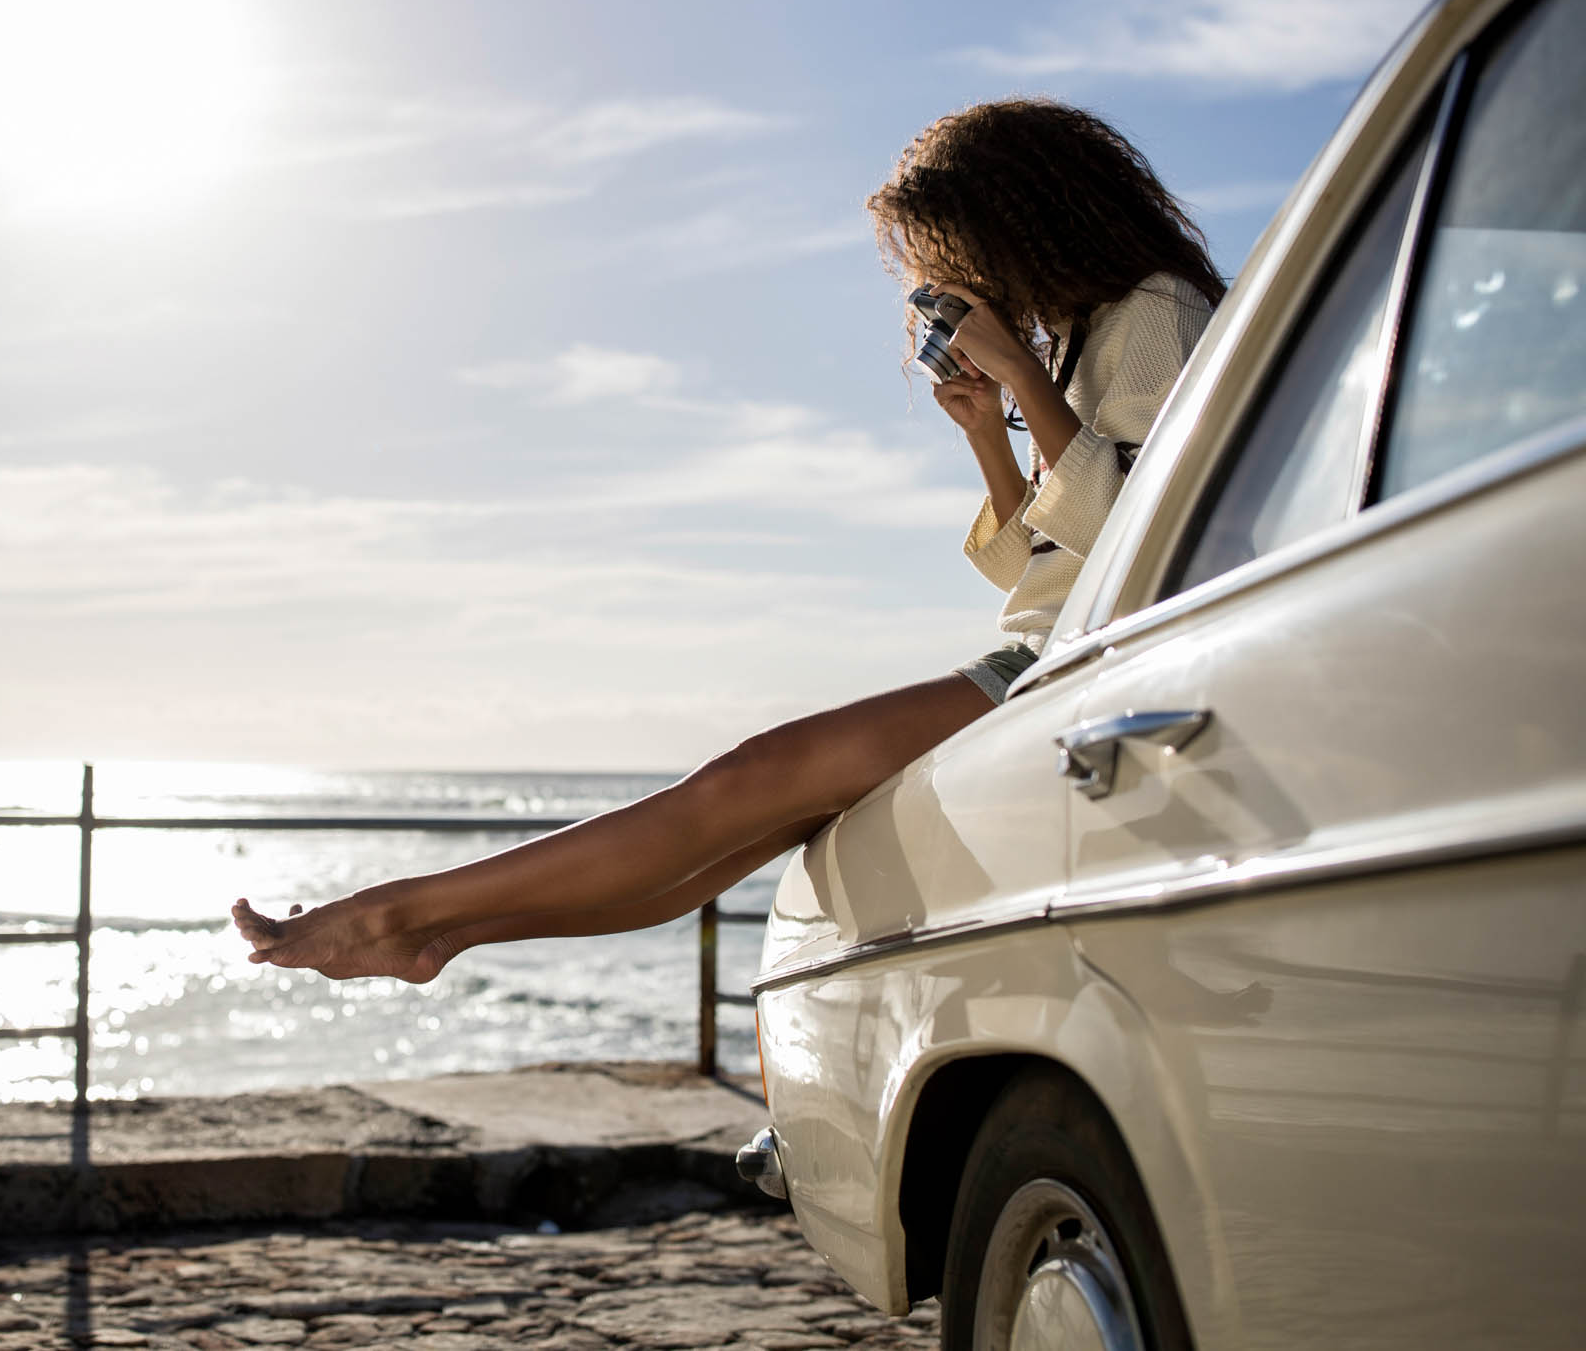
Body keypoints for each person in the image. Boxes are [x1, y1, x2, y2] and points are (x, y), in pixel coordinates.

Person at [232, 99, 1223, 981]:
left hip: (1077, 661)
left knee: (744, 781)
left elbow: (1153, 532)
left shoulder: (1155, 310)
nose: (951, 277)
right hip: (1049, 643)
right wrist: (988, 437)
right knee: (734, 834)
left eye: (951, 250)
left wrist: (1023, 381)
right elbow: (1039, 561)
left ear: (1019, 219)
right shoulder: (1084, 338)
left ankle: (395, 912)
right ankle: (444, 936)